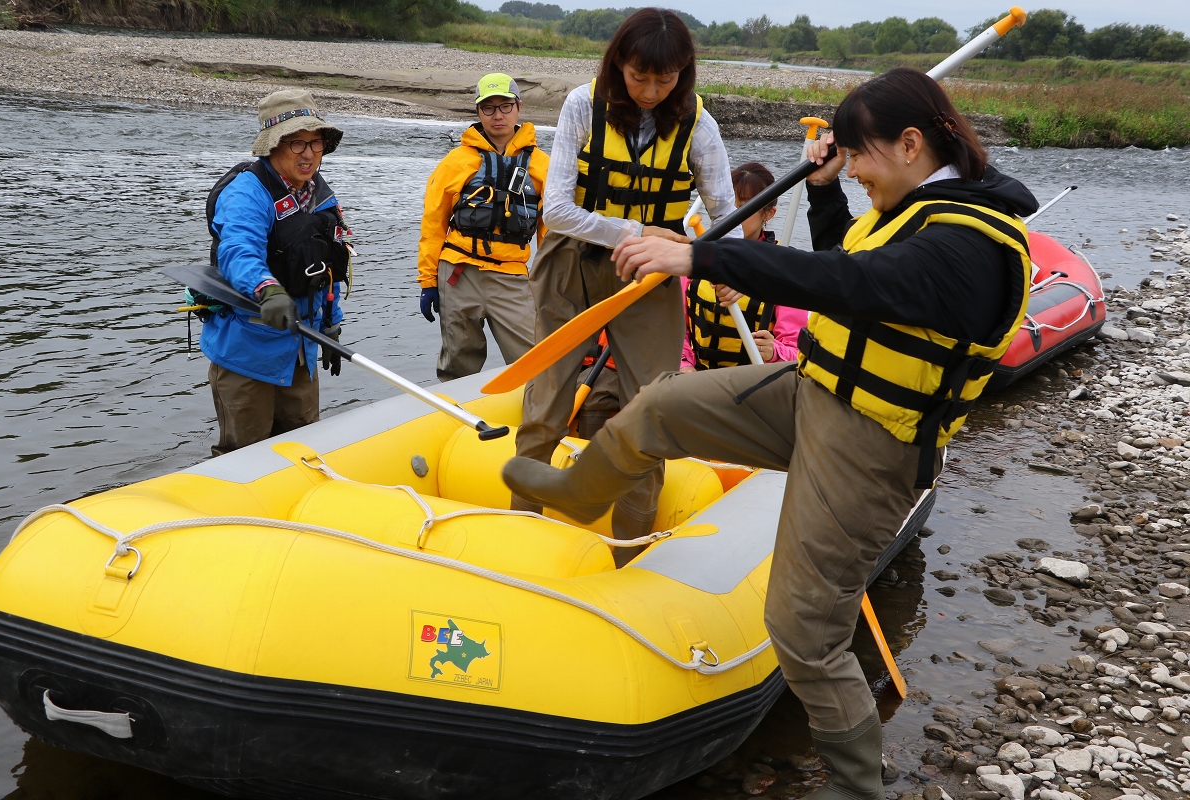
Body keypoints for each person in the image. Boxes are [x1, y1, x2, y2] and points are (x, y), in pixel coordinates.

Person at [504, 68, 1038, 800]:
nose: (853, 169)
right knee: (659, 406)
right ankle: (577, 487)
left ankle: (856, 786)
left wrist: (699, 254)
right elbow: (851, 262)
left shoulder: (972, 247)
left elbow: (852, 287)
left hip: (873, 442)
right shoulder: (918, 208)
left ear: (911, 144)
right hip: (812, 390)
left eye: (859, 157)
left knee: (804, 633)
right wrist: (824, 193)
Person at [512, 8, 741, 560]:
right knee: (547, 400)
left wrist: (726, 265)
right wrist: (637, 229)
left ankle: (628, 550)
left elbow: (724, 210)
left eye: (665, 79)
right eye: (640, 76)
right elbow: (559, 209)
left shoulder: (698, 124)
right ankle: (517, 536)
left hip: (648, 272)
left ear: (683, 74)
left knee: (649, 406)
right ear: (619, 64)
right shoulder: (580, 105)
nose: (650, 90)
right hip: (573, 260)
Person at [201, 89, 352, 456]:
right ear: (273, 146)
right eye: (297, 144)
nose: (309, 154)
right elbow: (238, 250)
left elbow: (328, 268)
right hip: (248, 351)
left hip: (301, 348)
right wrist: (267, 288)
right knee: (244, 456)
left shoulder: (320, 196)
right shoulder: (246, 194)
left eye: (316, 143)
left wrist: (331, 323)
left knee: (302, 453)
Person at [417, 73, 548, 381]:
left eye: (505, 106)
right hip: (458, 275)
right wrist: (427, 280)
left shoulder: (542, 165)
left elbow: (551, 234)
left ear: (519, 108)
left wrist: (552, 288)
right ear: (478, 112)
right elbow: (433, 223)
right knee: (458, 363)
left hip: (512, 278)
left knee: (534, 363)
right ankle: (453, 418)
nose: (497, 115)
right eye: (488, 108)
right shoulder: (455, 162)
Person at [682, 162, 809, 371]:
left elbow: (798, 353)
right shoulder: (698, 256)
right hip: (696, 379)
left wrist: (774, 351)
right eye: (729, 206)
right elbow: (677, 330)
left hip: (752, 384)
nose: (733, 215)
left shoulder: (784, 271)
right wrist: (684, 364)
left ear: (768, 214)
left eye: (744, 208)